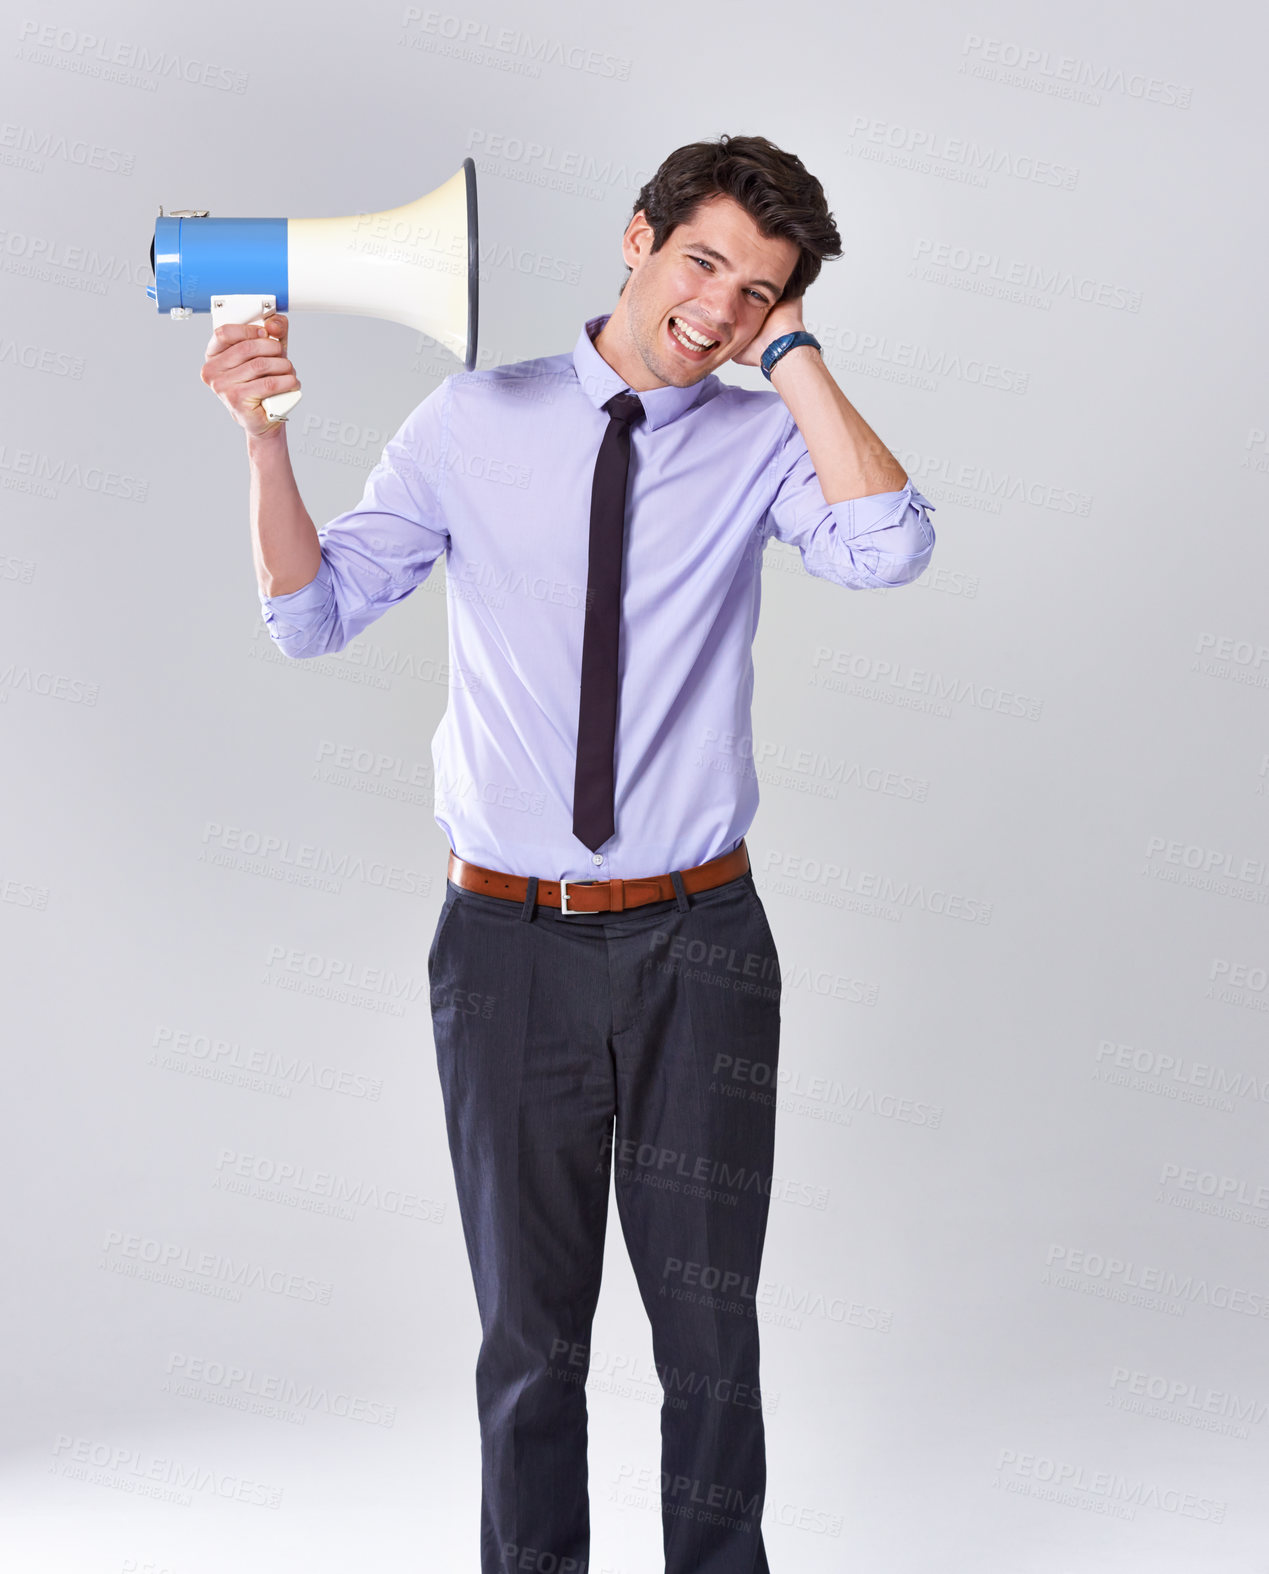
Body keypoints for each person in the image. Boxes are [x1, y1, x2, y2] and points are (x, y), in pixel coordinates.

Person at [201, 132, 936, 1574]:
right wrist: (265, 437)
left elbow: (887, 545)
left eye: (759, 292)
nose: (717, 310)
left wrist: (795, 357)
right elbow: (311, 614)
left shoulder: (759, 434)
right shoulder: (476, 418)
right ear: (636, 236)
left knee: (710, 1332)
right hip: (507, 947)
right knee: (530, 1339)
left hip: (699, 945)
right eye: (703, 262)